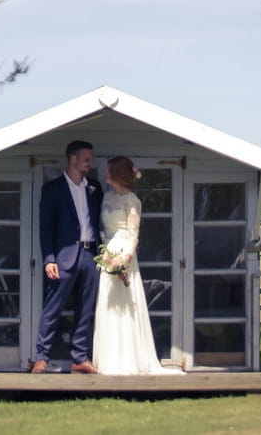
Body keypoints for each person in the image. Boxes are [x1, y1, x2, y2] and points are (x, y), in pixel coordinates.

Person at [93, 156, 183, 375]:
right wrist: (105, 251)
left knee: (125, 306)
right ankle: (109, 358)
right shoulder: (106, 197)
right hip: (108, 252)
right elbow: (103, 228)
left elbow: (134, 235)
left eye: (109, 170)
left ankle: (129, 358)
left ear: (117, 173)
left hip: (124, 253)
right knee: (108, 304)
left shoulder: (132, 201)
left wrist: (124, 261)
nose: (105, 173)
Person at [32, 139, 103, 374]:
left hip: (90, 255)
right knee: (53, 308)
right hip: (63, 258)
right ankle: (41, 357)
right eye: (86, 160)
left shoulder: (95, 188)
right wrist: (49, 258)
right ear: (73, 159)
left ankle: (79, 357)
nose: (90, 164)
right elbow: (46, 228)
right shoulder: (52, 190)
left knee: (86, 309)